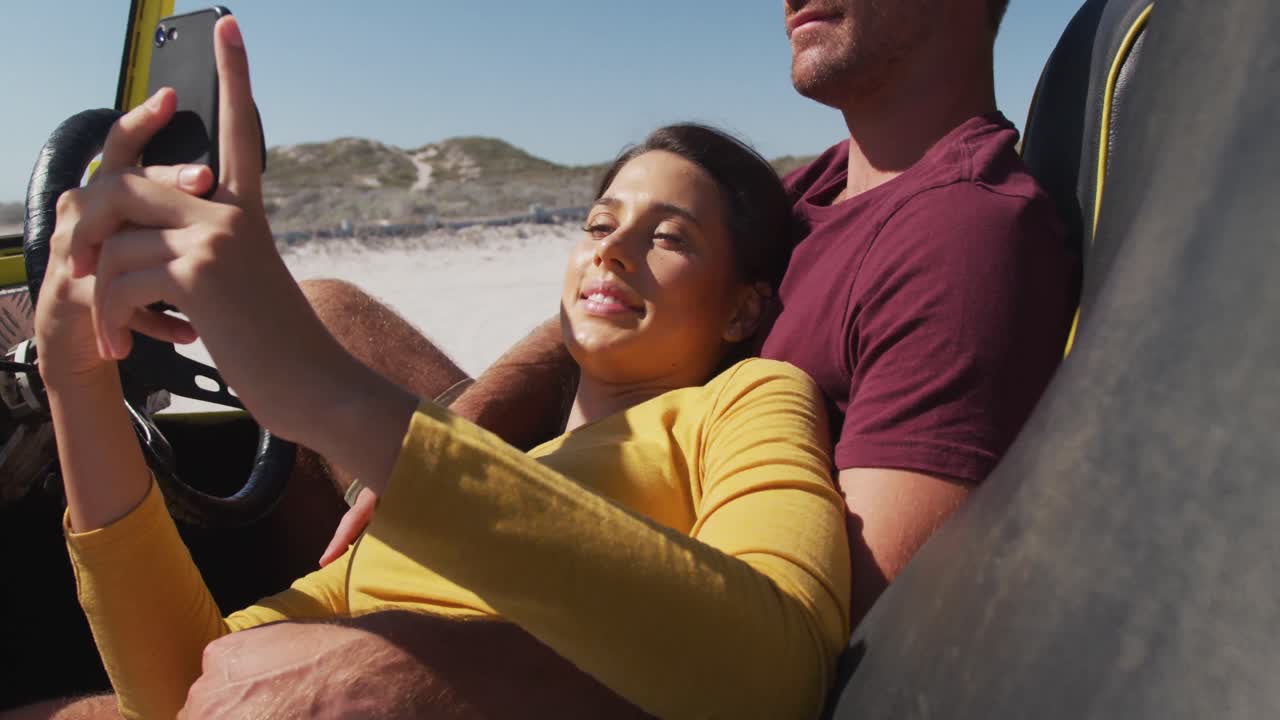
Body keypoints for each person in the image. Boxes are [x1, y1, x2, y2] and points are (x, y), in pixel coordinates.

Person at [14, 0, 1077, 715]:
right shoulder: (811, 191)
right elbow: (176, 679)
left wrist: (425, 671)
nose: (613, 246)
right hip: (542, 501)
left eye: (666, 234)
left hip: (621, 619)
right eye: (597, 220)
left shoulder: (954, 240)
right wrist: (78, 380)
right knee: (327, 307)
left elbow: (847, 658)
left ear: (742, 303)